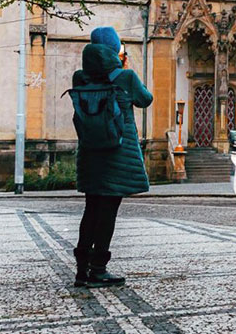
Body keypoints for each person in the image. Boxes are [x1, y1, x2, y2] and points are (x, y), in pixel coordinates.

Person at [72, 26, 153, 288]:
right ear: (116, 49)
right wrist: (124, 66)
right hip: (117, 155)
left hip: (90, 154)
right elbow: (145, 99)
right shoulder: (125, 76)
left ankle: (81, 269)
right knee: (107, 212)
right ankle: (98, 269)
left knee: (91, 209)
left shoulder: (80, 77)